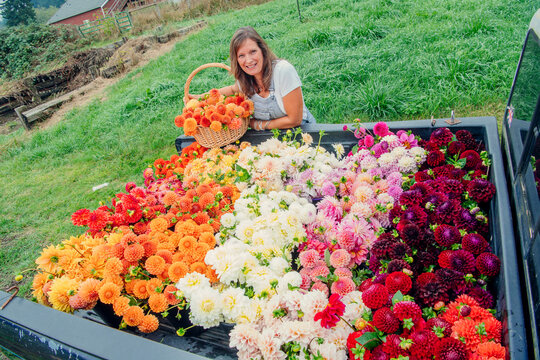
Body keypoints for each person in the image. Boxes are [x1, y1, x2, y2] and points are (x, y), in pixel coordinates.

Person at [189, 26, 315, 130]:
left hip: (303, 133)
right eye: (241, 55)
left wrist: (258, 125)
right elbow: (231, 90)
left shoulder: (283, 71)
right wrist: (199, 98)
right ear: (236, 60)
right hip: (272, 139)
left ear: (262, 50)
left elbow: (295, 119)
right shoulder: (246, 80)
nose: (248, 60)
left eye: (253, 52)